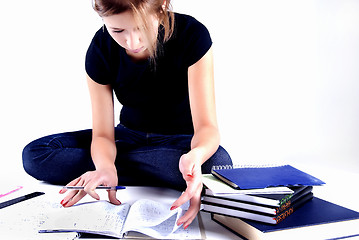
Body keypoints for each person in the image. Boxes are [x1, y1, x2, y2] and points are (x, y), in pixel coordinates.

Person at [22, 0, 232, 229]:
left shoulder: (193, 35)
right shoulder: (100, 48)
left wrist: (196, 156)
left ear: (162, 6)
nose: (131, 42)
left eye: (142, 28)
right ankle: (122, 171)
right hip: (127, 137)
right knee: (35, 154)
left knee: (217, 163)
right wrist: (104, 166)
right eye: (117, 31)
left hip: (180, 143)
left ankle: (120, 168)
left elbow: (207, 128)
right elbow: (102, 134)